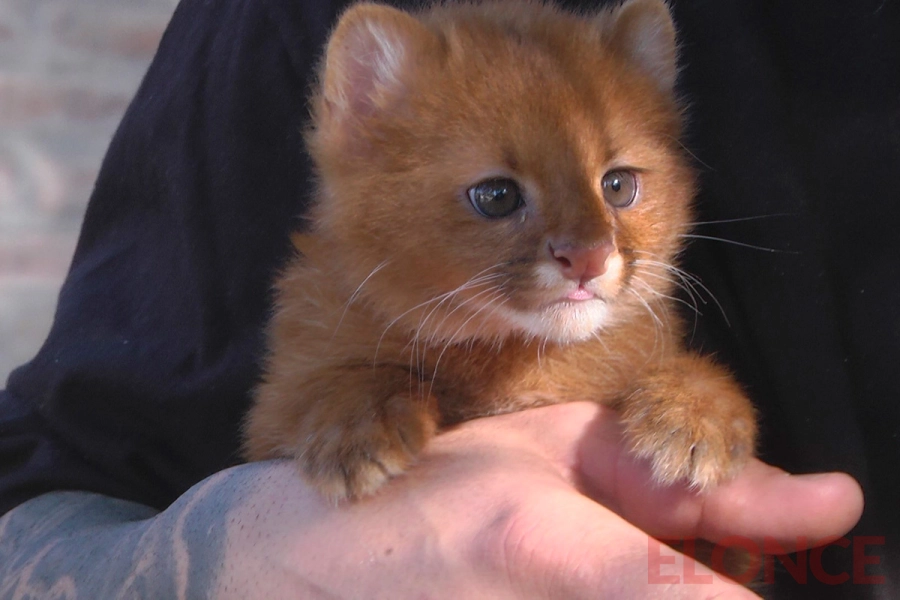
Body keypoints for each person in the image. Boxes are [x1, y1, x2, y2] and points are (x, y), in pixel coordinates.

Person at [0, 0, 895, 597]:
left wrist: (699, 403)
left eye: (622, 187)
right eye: (497, 197)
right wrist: (276, 547)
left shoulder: (638, 328)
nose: (590, 249)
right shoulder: (276, 39)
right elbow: (53, 487)